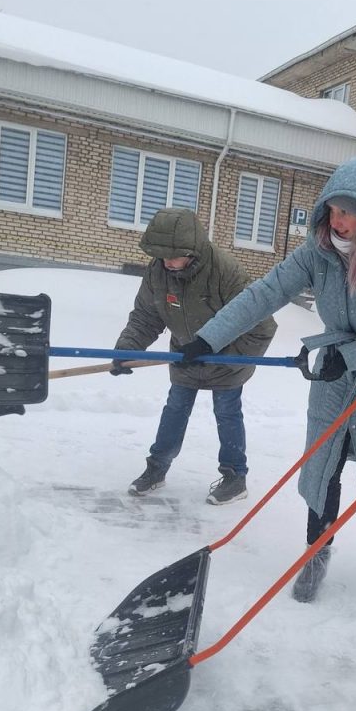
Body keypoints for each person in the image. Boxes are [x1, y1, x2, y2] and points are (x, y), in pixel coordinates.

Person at [181, 157, 356, 603]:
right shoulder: (317, 251)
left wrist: (352, 356)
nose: (337, 220)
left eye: (347, 211)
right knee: (323, 470)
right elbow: (265, 293)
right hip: (332, 379)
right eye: (333, 209)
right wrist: (208, 337)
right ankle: (315, 555)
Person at [110, 207, 277, 505]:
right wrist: (127, 350)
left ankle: (235, 478)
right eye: (161, 256)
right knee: (175, 408)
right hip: (185, 356)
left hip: (225, 361)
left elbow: (262, 325)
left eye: (173, 256)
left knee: (227, 412)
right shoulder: (159, 271)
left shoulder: (224, 271)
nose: (166, 262)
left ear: (192, 250)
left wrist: (229, 358)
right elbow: (146, 317)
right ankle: (157, 468)